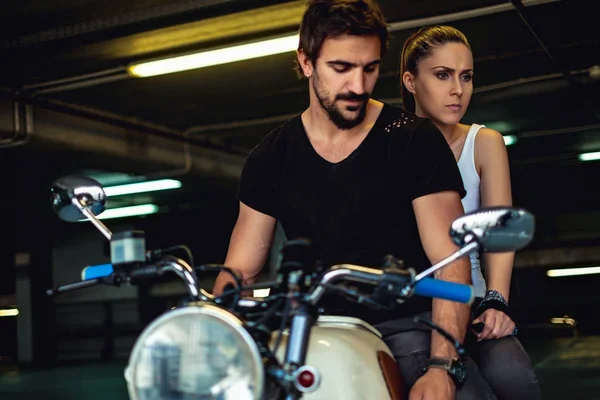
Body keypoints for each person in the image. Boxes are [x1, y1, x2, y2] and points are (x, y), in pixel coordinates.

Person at [213, 1, 496, 399]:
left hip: (405, 326)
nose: (359, 86)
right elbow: (240, 271)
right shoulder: (270, 157)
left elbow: (448, 265)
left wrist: (441, 367)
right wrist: (213, 333)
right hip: (312, 330)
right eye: (342, 68)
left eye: (370, 68)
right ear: (306, 61)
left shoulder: (412, 140)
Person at [399, 24, 541, 400]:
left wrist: (497, 299)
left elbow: (501, 232)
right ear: (411, 82)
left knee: (512, 375)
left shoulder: (484, 142)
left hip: (475, 299)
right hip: (415, 301)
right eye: (443, 75)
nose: (457, 90)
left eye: (466, 77)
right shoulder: (390, 146)